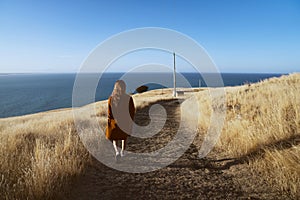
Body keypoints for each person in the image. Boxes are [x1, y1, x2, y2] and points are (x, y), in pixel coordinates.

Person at [105, 80, 135, 160]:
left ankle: (117, 152)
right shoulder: (129, 98)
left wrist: (110, 122)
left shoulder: (111, 99)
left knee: (115, 138)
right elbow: (132, 111)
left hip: (115, 122)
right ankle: (122, 152)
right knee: (123, 138)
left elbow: (109, 112)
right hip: (125, 122)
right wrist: (130, 120)